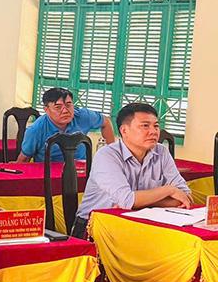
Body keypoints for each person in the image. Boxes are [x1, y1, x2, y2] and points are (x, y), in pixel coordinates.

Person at [71, 103, 191, 238]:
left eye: (156, 126)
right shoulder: (107, 155)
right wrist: (169, 191)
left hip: (137, 223)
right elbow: (127, 200)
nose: (153, 131)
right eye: (145, 126)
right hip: (95, 228)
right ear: (124, 131)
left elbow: (185, 196)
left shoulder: (161, 152)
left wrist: (137, 202)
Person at [17, 87, 115, 163]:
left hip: (81, 172)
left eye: (68, 105)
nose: (65, 111)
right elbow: (24, 159)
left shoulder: (83, 116)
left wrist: (111, 153)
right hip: (48, 175)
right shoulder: (35, 130)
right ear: (46, 110)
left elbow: (106, 122)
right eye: (58, 107)